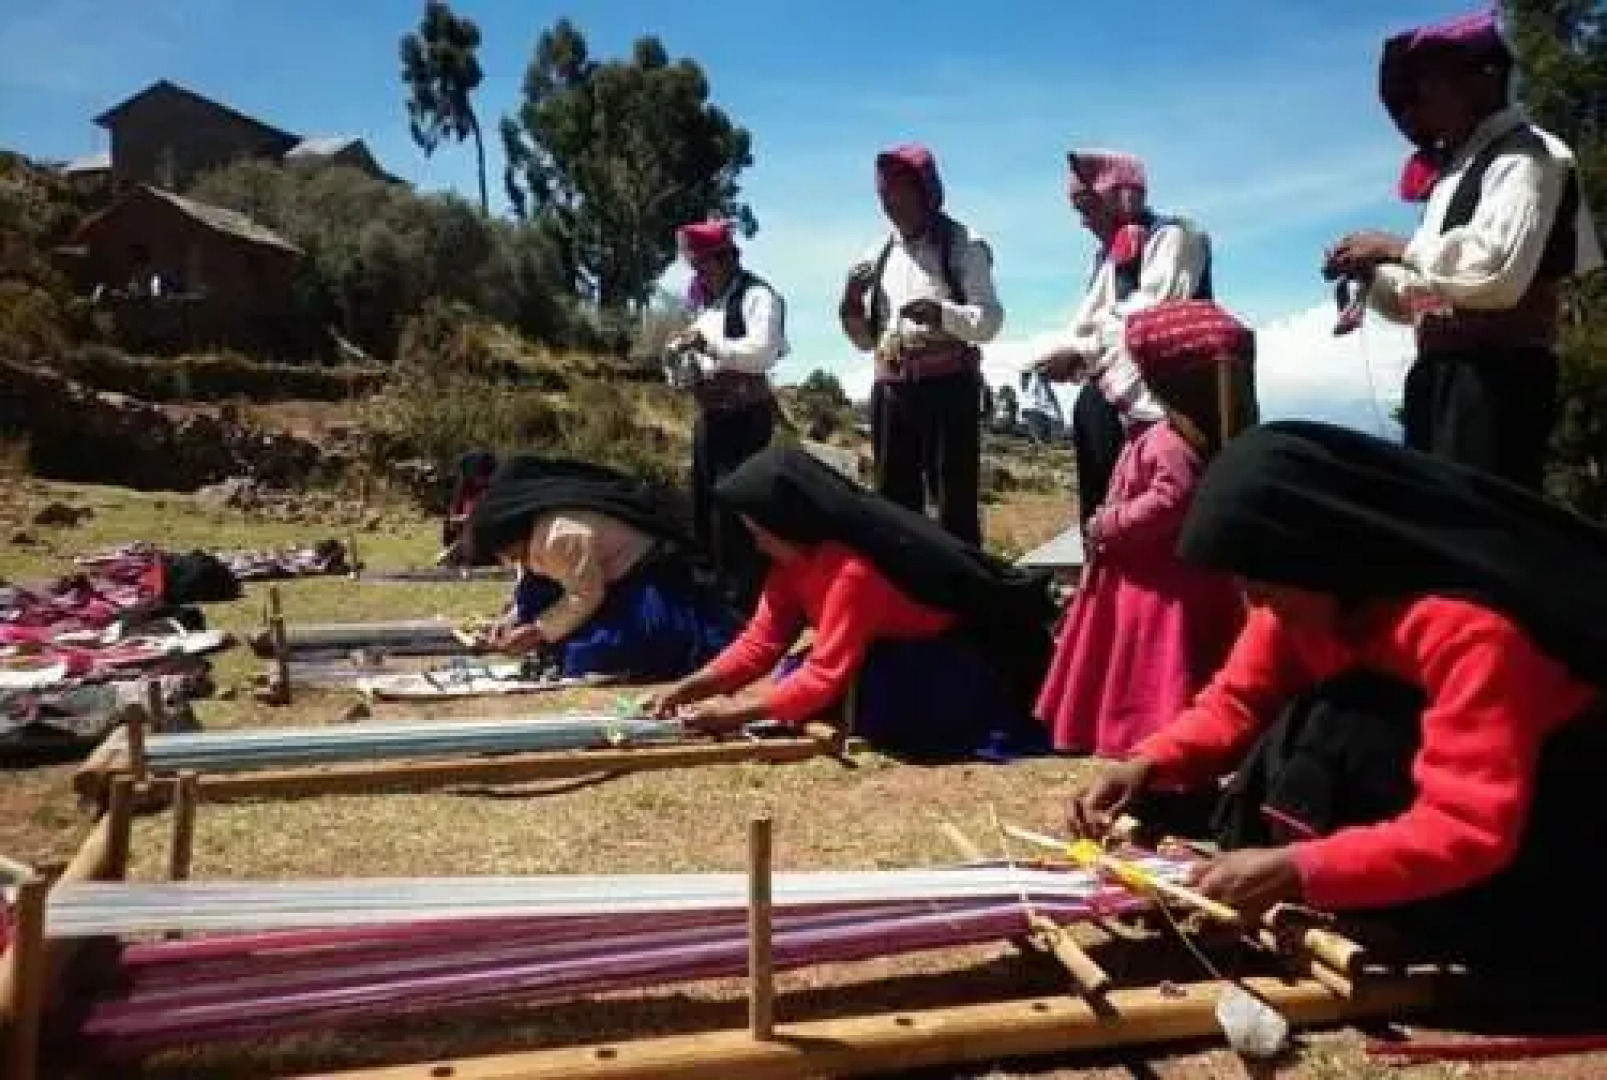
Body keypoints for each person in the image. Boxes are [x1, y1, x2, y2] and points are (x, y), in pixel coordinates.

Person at [1066, 420, 1607, 974]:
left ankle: (1420, 920)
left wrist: (1302, 869)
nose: (1254, 601)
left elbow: (1469, 826)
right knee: (1313, 724)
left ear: (1317, 553)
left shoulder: (1475, 634)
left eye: (1262, 584)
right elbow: (1237, 702)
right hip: (1416, 812)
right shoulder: (1300, 601)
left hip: (1542, 836)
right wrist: (1147, 763)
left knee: (1348, 723)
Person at [1323, 10, 1603, 491]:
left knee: (1482, 522)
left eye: (1428, 84)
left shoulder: (1527, 157)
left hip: (1495, 380)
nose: (1417, 102)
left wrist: (1394, 246)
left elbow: (1493, 275)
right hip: (1444, 378)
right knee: (1437, 520)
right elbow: (1424, 295)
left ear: (1483, 79)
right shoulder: (1455, 173)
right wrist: (1372, 271)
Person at [643, 445, 1056, 762]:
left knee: (848, 695)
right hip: (880, 653)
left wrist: (734, 716)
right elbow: (761, 642)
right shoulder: (789, 567)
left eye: (760, 532)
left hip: (942, 661)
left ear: (788, 523)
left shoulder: (852, 572)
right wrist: (687, 688)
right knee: (794, 677)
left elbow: (825, 673)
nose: (757, 543)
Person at [1036, 301, 1252, 757]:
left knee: (1154, 664)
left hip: (1155, 584)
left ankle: (1143, 733)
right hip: (1154, 575)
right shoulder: (1182, 437)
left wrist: (1108, 522)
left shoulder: (1167, 442)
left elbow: (1172, 498)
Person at [1031, 150, 1239, 528]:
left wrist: (1080, 352)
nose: (1083, 222)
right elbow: (1087, 323)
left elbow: (1150, 315)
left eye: (1088, 207)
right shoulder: (1107, 259)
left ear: (1119, 197)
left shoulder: (1176, 238)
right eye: (1079, 211)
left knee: (1159, 513)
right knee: (1101, 513)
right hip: (1108, 400)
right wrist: (1067, 353)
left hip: (1167, 407)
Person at [839, 144, 1004, 546]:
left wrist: (941, 314)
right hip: (892, 390)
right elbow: (865, 342)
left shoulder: (963, 244)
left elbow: (989, 320)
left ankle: (959, 585)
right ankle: (903, 585)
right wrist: (851, 302)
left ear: (926, 192)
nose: (891, 205)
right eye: (884, 196)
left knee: (954, 508)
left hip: (949, 390)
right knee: (893, 507)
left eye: (900, 194)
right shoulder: (877, 254)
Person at [466, 456, 736, 683]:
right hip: (601, 580)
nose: (508, 559)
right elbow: (536, 584)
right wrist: (511, 621)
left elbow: (586, 595)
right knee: (533, 597)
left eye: (507, 552)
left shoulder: (558, 537)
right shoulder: (533, 537)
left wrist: (537, 631)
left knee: (590, 655)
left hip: (643, 575)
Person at [668, 218, 788, 612]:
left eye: (703, 264)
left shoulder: (758, 296)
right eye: (695, 266)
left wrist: (709, 345)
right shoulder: (706, 305)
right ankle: (713, 600)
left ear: (725, 259)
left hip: (744, 417)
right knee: (704, 507)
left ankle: (744, 605)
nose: (699, 273)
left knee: (737, 511)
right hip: (711, 417)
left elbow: (763, 352)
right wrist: (680, 363)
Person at [439, 450, 498, 566]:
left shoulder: (494, 489)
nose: (480, 479)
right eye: (478, 475)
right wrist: (458, 520)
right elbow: (451, 521)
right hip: (465, 539)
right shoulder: (462, 492)